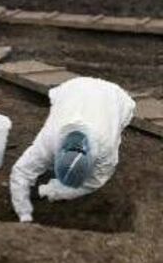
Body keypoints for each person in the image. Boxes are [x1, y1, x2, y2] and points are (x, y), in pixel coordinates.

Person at [10, 77, 135, 223]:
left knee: (113, 125)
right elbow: (21, 171)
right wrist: (24, 212)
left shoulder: (107, 150)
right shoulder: (49, 140)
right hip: (73, 88)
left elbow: (94, 181)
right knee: (56, 120)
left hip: (114, 97)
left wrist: (47, 191)